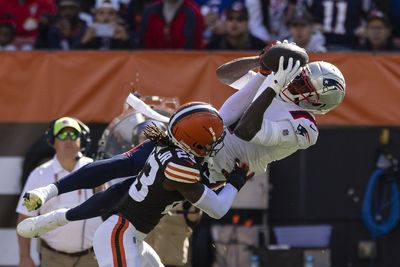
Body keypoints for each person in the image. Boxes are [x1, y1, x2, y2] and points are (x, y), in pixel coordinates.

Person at [18, 42, 346, 264]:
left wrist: (272, 84)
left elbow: (246, 130)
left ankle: (58, 217)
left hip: (214, 166)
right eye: (299, 78)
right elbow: (224, 75)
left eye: (304, 86)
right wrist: (261, 63)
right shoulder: (279, 80)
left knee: (134, 196)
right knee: (127, 165)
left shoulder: (306, 128)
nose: (296, 83)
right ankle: (52, 199)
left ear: (317, 103)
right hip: (203, 133)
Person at [18, 103, 253, 267]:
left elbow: (118, 183)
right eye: (209, 142)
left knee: (122, 186)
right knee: (119, 179)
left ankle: (60, 216)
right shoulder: (181, 167)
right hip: (120, 234)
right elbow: (218, 208)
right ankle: (57, 210)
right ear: (194, 143)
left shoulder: (165, 148)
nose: (215, 145)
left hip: (132, 235)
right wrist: (235, 182)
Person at [16, 117, 102, 267]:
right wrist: (24, 256)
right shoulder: (39, 175)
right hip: (53, 258)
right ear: (52, 141)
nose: (68, 139)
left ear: (82, 140)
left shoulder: (96, 169)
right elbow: (25, 216)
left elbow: (111, 209)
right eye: (62, 135)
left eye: (73, 135)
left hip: (92, 257)